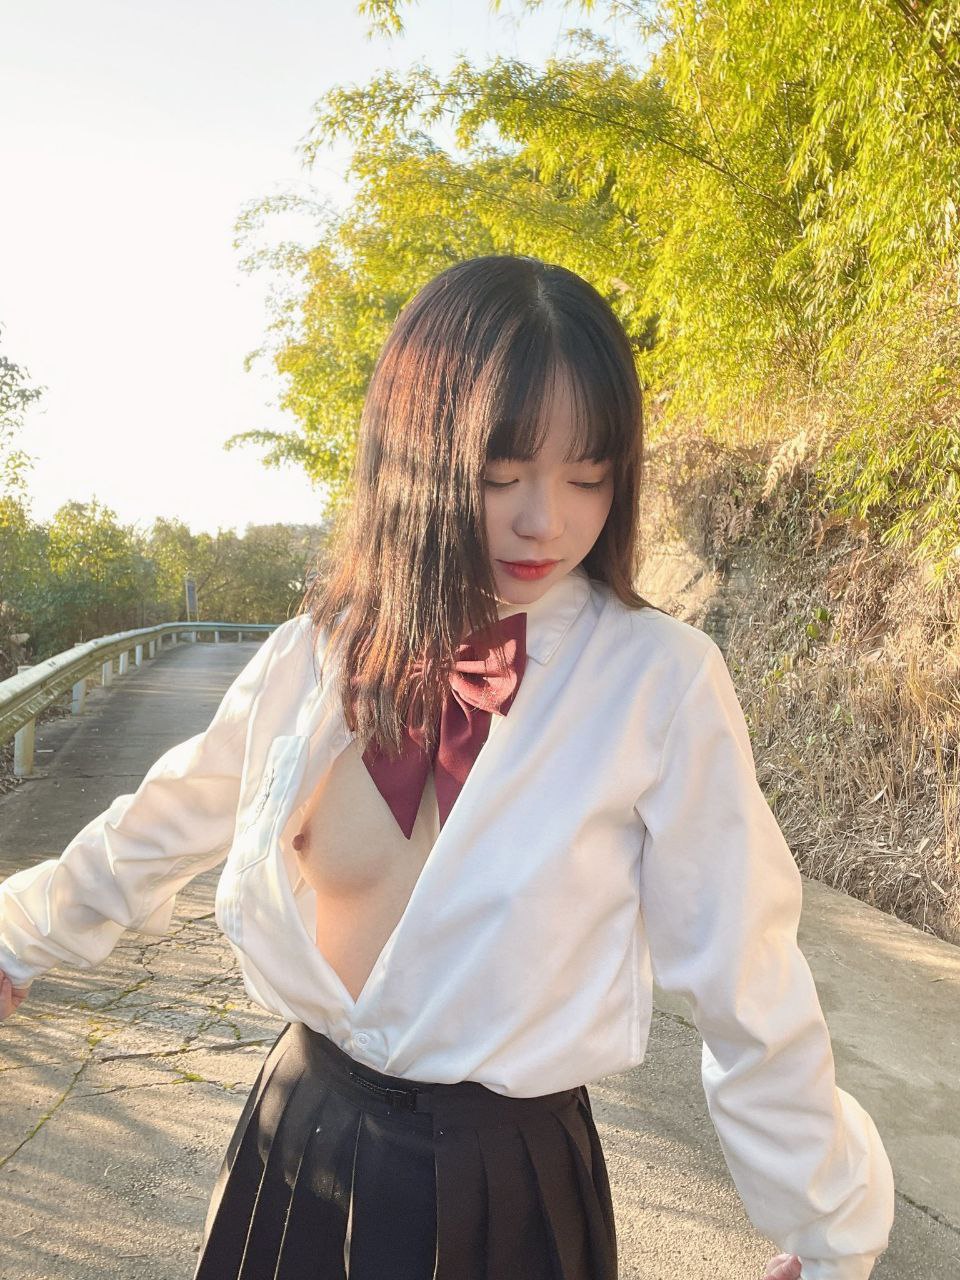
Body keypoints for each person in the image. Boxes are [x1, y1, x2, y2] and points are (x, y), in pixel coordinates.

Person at [0, 254, 894, 1279]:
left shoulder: (658, 682)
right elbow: (174, 812)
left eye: (588, 476)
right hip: (296, 1141)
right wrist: (18, 936)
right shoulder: (324, 647)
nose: (544, 519)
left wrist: (827, 1226)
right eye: (500, 474)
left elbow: (746, 968)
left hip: (506, 1190)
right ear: (415, 457)